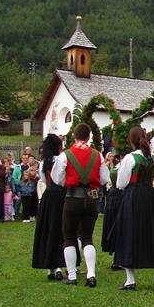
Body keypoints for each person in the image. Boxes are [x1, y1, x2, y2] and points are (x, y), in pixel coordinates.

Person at [52, 123, 109, 287]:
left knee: (69, 237)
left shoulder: (65, 155)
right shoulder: (97, 155)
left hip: (72, 198)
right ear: (89, 137)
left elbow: (57, 179)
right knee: (87, 237)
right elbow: (104, 179)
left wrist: (69, 181)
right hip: (91, 198)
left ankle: (71, 276)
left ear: (74, 136)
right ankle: (91, 275)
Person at [114, 127, 154, 290]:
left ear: (131, 140)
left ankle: (130, 280)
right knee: (153, 233)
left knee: (129, 232)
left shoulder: (131, 158)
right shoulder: (152, 158)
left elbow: (121, 183)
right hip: (150, 197)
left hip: (133, 197)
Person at [32, 134, 68, 281]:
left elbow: (42, 179)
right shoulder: (60, 159)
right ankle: (58, 265)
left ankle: (50, 268)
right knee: (59, 229)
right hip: (60, 196)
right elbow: (62, 178)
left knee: (48, 229)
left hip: (48, 197)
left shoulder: (43, 163)